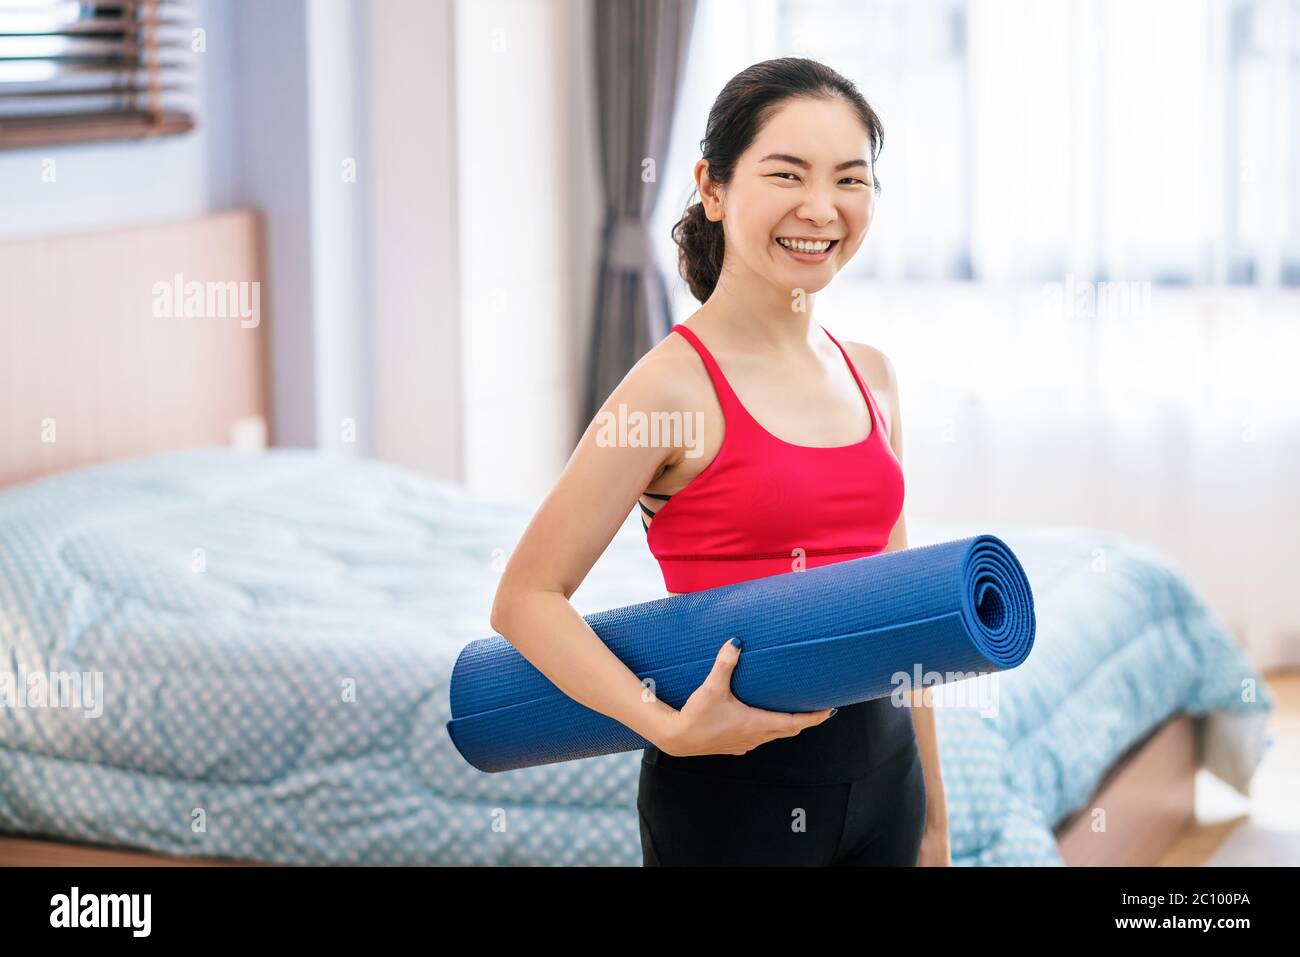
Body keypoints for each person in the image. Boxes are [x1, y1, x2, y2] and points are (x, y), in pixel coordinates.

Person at [490, 56, 950, 867]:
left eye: (850, 178)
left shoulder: (871, 372)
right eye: (787, 174)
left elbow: (900, 600)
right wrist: (665, 723)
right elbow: (526, 598)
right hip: (734, 801)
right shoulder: (667, 387)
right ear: (713, 186)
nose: (821, 207)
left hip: (887, 780)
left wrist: (936, 822)